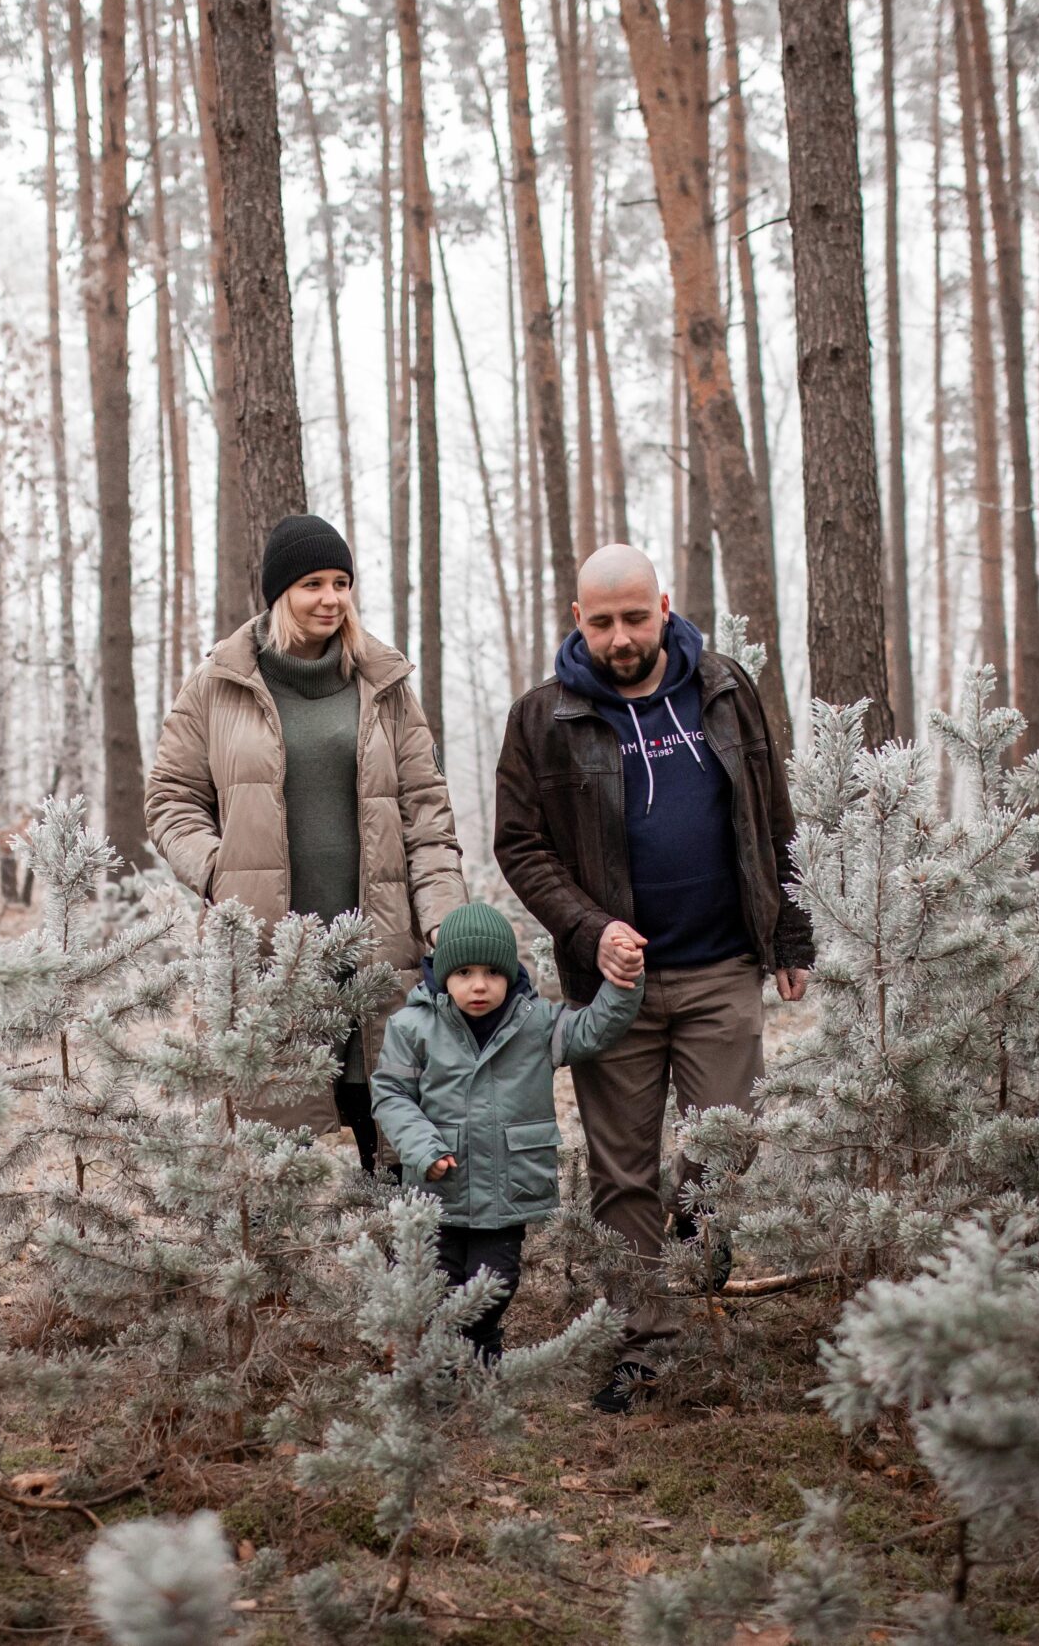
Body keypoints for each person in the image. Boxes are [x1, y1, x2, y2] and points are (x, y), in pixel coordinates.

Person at [493, 544, 813, 1413]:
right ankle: (645, 1345)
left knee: (727, 1143)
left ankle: (692, 1240)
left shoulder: (724, 687)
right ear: (578, 619)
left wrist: (791, 929)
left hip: (720, 967)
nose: (622, 636)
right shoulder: (541, 719)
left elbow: (769, 811)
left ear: (664, 605)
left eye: (636, 617)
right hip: (614, 992)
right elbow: (520, 847)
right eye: (602, 622)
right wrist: (591, 932)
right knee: (620, 1172)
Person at [146, 513, 466, 1166]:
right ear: (279, 593)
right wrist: (221, 872)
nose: (330, 598)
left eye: (342, 582)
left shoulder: (385, 683)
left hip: (379, 950)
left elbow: (427, 813)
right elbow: (170, 798)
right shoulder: (219, 682)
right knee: (272, 1156)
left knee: (397, 1139)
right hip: (274, 959)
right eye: (312, 583)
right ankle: (280, 1271)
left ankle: (402, 1266)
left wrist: (443, 919)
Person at [370, 902, 643, 1362]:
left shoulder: (535, 1023)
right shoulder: (412, 1026)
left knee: (493, 1282)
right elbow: (392, 1094)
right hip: (439, 1187)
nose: (479, 985)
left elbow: (598, 1028)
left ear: (512, 973)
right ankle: (437, 1369)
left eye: (493, 973)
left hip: (506, 1189)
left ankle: (480, 1349)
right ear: (442, 974)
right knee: (436, 1283)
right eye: (465, 973)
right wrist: (422, 1147)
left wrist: (623, 982)